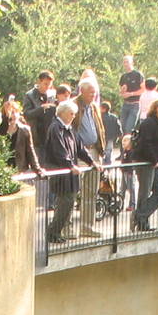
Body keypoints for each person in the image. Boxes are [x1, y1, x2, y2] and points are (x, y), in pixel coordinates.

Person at [42, 98, 98, 244]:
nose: (74, 116)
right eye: (71, 113)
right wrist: (70, 165)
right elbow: (59, 150)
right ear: (63, 113)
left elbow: (80, 149)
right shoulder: (55, 128)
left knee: (69, 202)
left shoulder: (70, 129)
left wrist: (91, 161)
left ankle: (56, 232)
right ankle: (52, 232)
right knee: (65, 202)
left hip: (69, 172)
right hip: (60, 172)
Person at [70, 79, 106, 238]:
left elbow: (99, 129)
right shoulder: (72, 106)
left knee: (91, 192)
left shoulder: (94, 107)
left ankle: (87, 227)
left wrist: (101, 150)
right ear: (81, 91)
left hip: (94, 153)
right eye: (91, 92)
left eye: (95, 92)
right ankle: (67, 227)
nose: (93, 95)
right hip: (77, 153)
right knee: (71, 191)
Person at [130, 97, 158, 231]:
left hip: (155, 163)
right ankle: (142, 223)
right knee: (144, 192)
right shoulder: (148, 123)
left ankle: (139, 215)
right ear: (155, 108)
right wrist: (155, 159)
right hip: (145, 162)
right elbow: (145, 143)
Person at [0, 95, 42, 174]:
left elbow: (30, 150)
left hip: (19, 168)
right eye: (9, 112)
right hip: (3, 168)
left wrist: (37, 169)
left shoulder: (24, 130)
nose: (12, 115)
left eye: (14, 112)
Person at [23, 71, 55, 153]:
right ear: (39, 82)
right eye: (46, 84)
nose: (48, 87)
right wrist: (41, 109)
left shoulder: (52, 95)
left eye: (50, 84)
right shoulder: (29, 95)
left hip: (49, 134)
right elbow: (26, 114)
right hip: (36, 134)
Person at [118, 55, 144, 133]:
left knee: (129, 128)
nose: (126, 64)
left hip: (135, 105)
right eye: (124, 62)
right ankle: (124, 144)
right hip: (125, 104)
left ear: (132, 63)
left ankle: (130, 143)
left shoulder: (138, 75)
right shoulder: (123, 77)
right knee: (121, 128)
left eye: (127, 62)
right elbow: (121, 93)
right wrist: (122, 91)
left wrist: (131, 94)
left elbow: (143, 89)